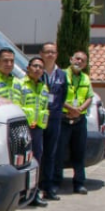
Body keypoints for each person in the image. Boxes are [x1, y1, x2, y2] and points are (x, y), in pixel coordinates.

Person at [15, 56, 51, 207]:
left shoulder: (44, 87)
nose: (37, 69)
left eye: (40, 67)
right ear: (28, 68)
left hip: (38, 131)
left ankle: (34, 194)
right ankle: (19, 195)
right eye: (35, 66)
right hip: (23, 129)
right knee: (21, 162)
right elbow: (16, 106)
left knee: (36, 162)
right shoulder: (20, 84)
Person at [59, 50, 93, 194]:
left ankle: (79, 183)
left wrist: (78, 110)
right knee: (58, 153)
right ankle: (55, 183)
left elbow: (89, 97)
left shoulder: (86, 78)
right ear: (71, 59)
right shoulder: (61, 75)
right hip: (63, 119)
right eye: (77, 59)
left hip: (79, 121)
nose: (79, 62)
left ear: (85, 64)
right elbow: (56, 95)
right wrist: (70, 108)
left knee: (79, 154)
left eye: (82, 61)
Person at [39, 43, 67, 201]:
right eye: (47, 52)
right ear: (41, 54)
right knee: (37, 153)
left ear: (56, 55)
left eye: (53, 52)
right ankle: (35, 187)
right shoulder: (36, 72)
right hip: (38, 118)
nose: (50, 55)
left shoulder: (61, 75)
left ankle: (48, 187)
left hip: (54, 118)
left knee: (51, 154)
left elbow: (63, 96)